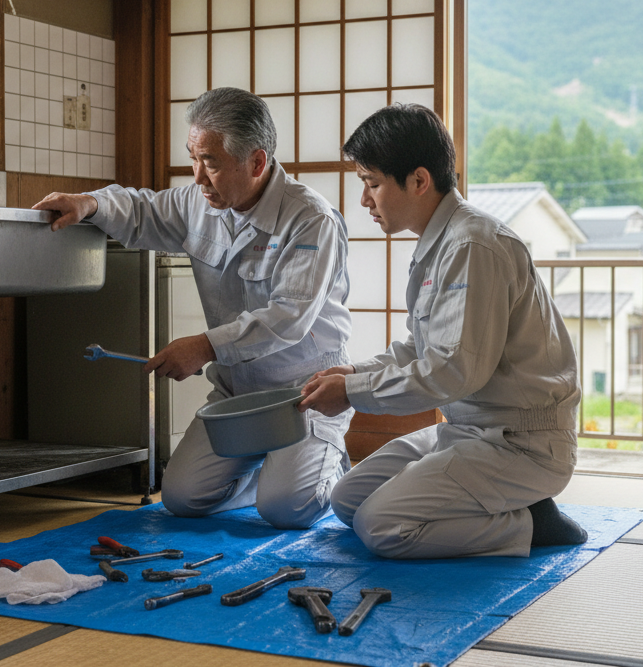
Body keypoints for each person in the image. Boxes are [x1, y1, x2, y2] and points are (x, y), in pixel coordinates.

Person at [33, 87, 354, 530]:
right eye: (193, 159)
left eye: (211, 163)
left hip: (305, 394)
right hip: (237, 393)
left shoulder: (310, 218)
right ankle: (268, 478)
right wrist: (90, 203)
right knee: (183, 498)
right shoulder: (197, 202)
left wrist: (204, 346)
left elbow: (288, 317)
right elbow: (142, 209)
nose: (198, 177)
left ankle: (321, 467)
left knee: (287, 510)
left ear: (256, 163)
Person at [299, 103, 587, 559]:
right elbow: (420, 347)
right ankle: (503, 507)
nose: (365, 200)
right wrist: (354, 372)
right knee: (347, 500)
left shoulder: (473, 244)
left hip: (522, 443)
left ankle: (531, 523)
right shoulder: (441, 242)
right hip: (468, 429)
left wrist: (352, 392)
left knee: (382, 526)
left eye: (372, 184)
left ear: (418, 180)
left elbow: (453, 371)